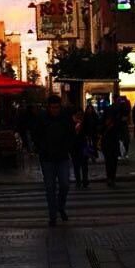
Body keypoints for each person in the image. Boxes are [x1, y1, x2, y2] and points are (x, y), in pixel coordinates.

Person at [32, 93, 74, 225]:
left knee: (65, 185)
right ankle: (53, 215)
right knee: (50, 187)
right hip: (47, 158)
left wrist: (68, 147)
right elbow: (36, 135)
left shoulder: (65, 118)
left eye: (57, 107)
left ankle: (60, 206)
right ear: (48, 107)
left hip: (62, 156)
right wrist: (41, 148)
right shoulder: (41, 118)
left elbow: (71, 133)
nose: (55, 110)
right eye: (52, 107)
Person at [70, 109, 91, 189]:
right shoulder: (71, 123)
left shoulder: (85, 122)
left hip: (84, 146)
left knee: (84, 164)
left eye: (81, 114)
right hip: (74, 147)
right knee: (76, 165)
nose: (79, 116)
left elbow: (88, 132)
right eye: (78, 114)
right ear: (75, 115)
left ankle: (85, 180)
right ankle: (78, 181)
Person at [100, 112, 121, 187]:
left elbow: (117, 138)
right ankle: (110, 178)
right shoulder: (104, 127)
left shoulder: (115, 127)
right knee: (109, 164)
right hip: (107, 149)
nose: (107, 121)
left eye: (109, 120)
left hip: (113, 148)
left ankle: (112, 178)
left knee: (113, 165)